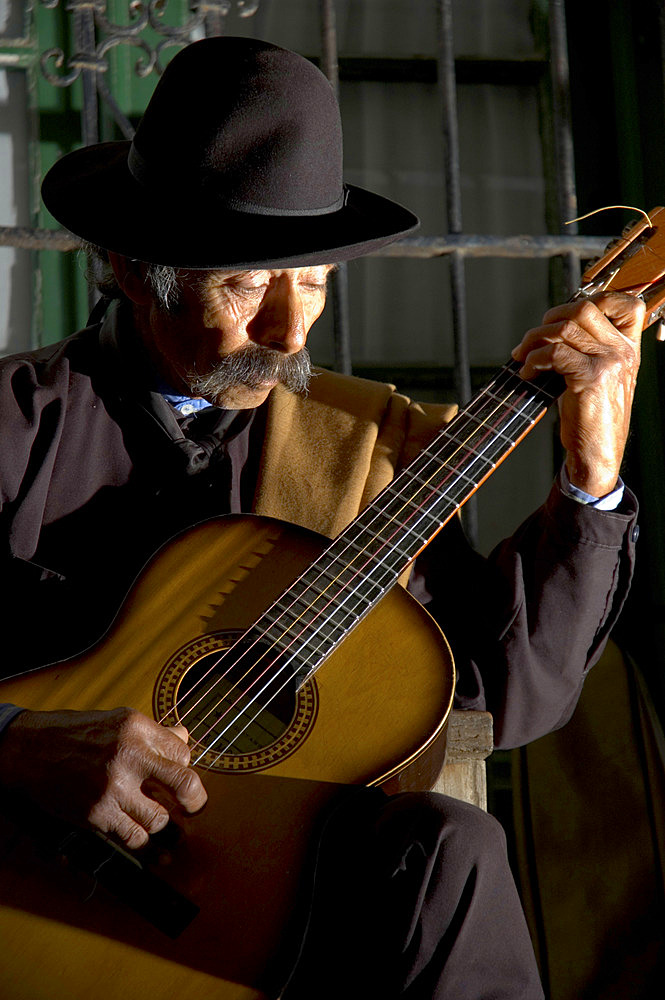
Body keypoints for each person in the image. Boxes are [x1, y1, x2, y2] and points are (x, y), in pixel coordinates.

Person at [0, 36, 642, 999]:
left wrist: (590, 479)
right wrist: (17, 741)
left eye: (313, 280)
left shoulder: (364, 443)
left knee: (451, 845)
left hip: (275, 908)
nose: (289, 333)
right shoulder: (13, 423)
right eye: (248, 282)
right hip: (26, 884)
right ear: (134, 269)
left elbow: (509, 699)